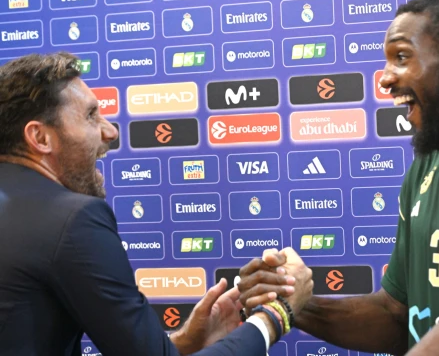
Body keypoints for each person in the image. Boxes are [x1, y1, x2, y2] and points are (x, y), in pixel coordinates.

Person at [0, 51, 313, 355]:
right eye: (91, 115)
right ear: (40, 138)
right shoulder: (74, 220)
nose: (110, 131)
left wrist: (184, 342)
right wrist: (276, 316)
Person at [237, 0, 439, 356]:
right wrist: (290, 304)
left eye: (402, 57)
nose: (385, 78)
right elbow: (396, 316)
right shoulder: (425, 168)